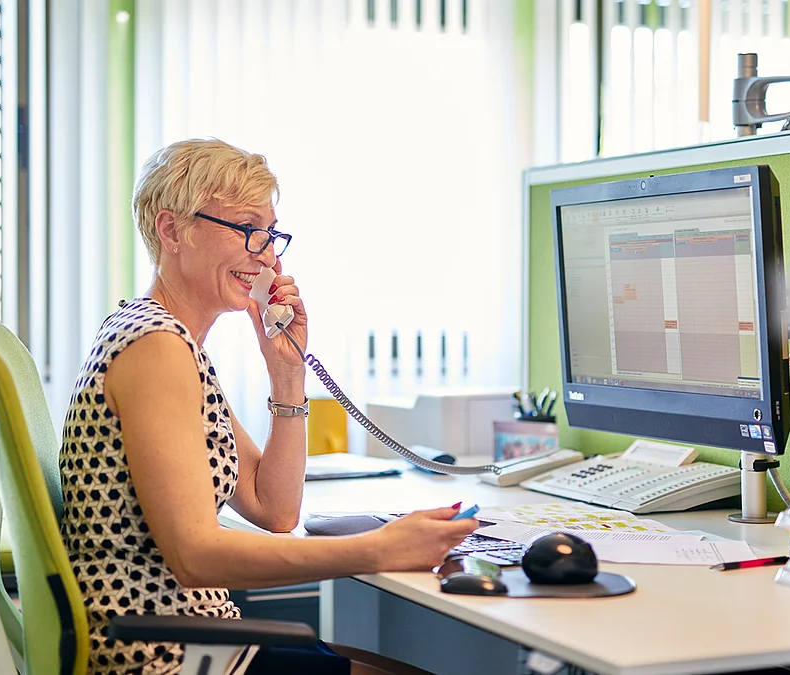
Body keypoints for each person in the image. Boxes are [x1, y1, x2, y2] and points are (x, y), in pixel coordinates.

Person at [59, 138, 479, 675]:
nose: (269, 258)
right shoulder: (156, 348)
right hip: (164, 656)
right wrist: (380, 549)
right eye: (249, 231)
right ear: (171, 230)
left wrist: (287, 374)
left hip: (200, 640)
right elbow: (195, 557)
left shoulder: (172, 342)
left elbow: (274, 509)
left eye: (271, 236)